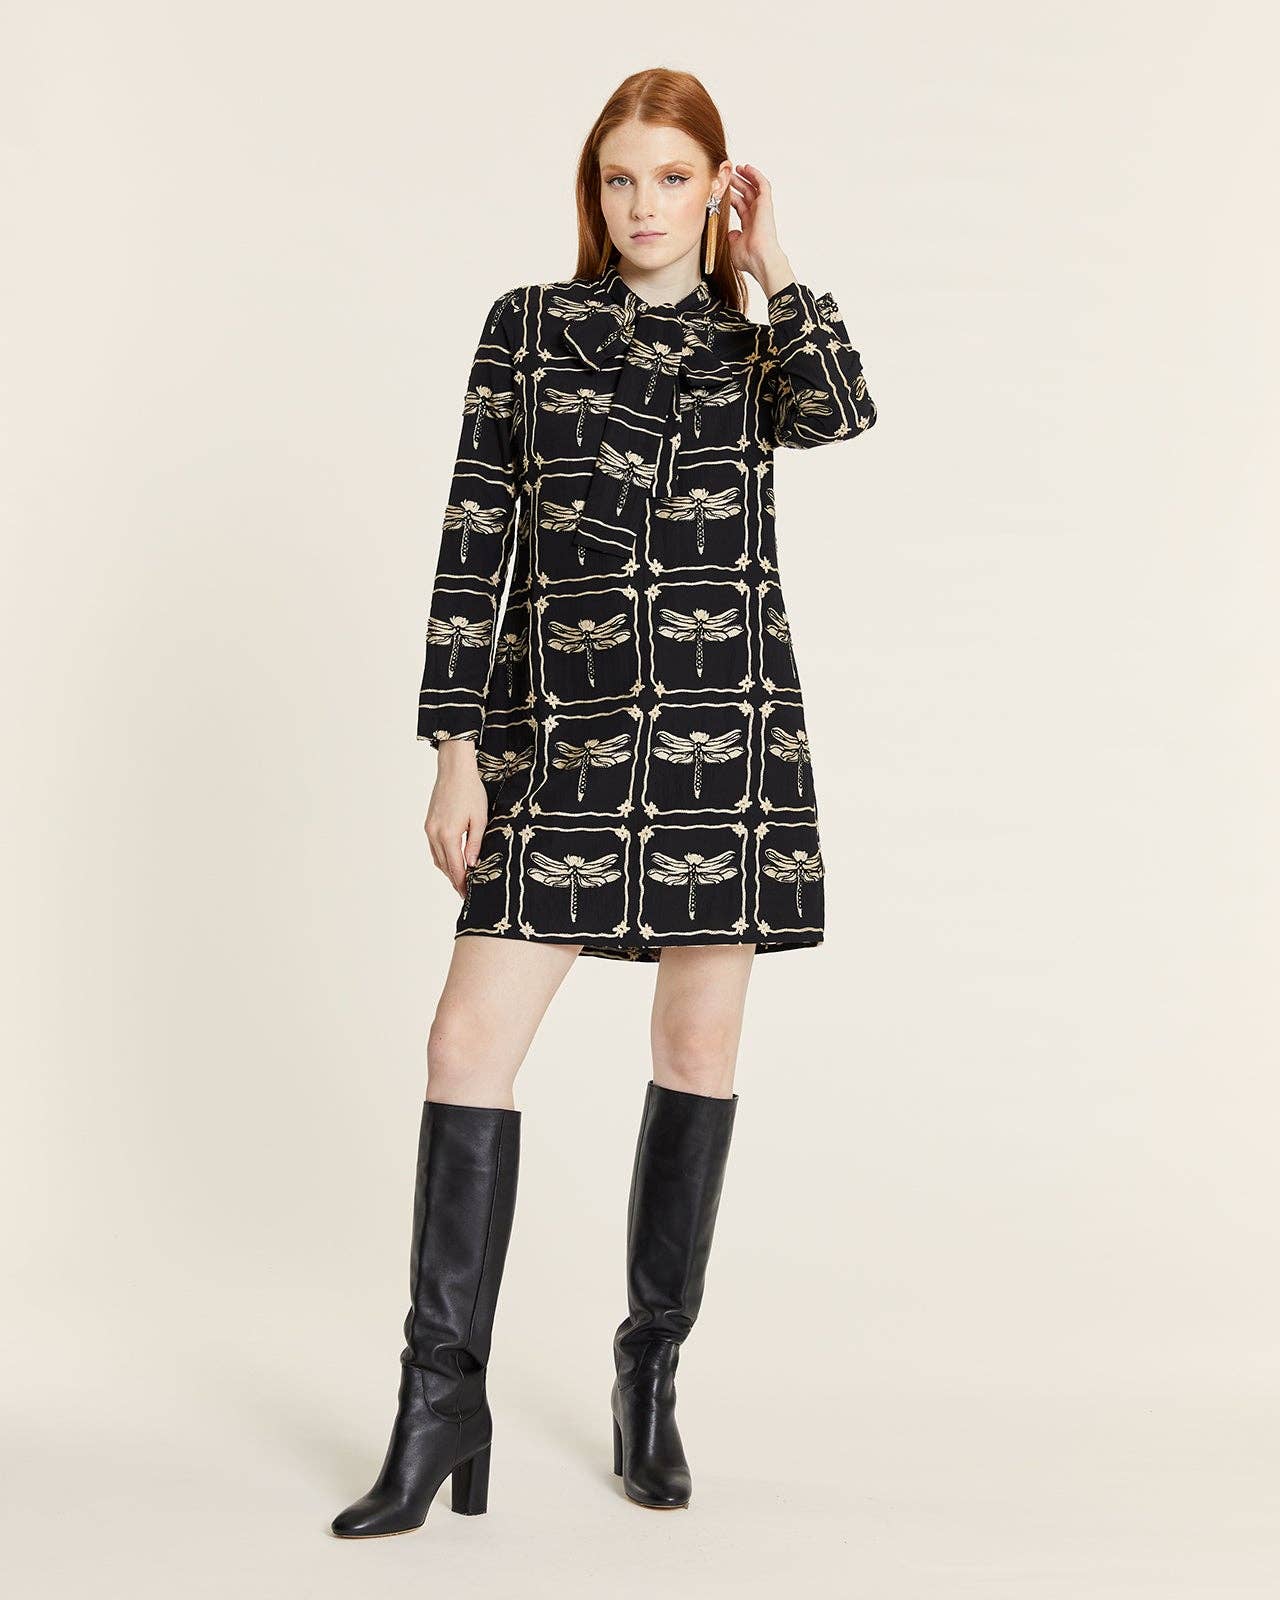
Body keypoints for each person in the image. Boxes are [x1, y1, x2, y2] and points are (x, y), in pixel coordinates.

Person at [330, 66, 877, 1538]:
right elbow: (474, 535)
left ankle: (650, 1379)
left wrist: (776, 265)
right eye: (620, 179)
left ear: (717, 189)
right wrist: (455, 747)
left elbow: (842, 412)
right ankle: (440, 1401)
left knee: (696, 1047)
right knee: (467, 1041)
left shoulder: (754, 347)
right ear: (595, 191)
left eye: (672, 179)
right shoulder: (528, 328)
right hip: (557, 738)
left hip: (721, 735)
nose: (642, 205)